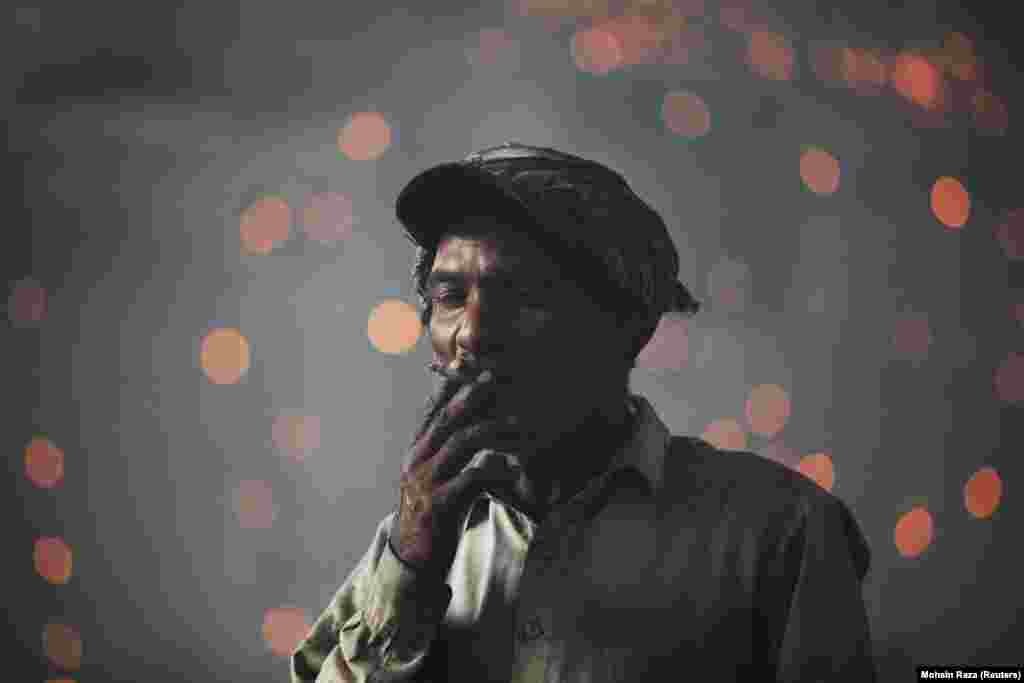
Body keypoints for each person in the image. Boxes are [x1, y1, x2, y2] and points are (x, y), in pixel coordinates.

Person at [290, 143, 876, 682]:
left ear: (629, 325)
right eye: (448, 297)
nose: (471, 333)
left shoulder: (781, 532)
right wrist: (410, 572)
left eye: (521, 295)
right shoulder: (412, 541)